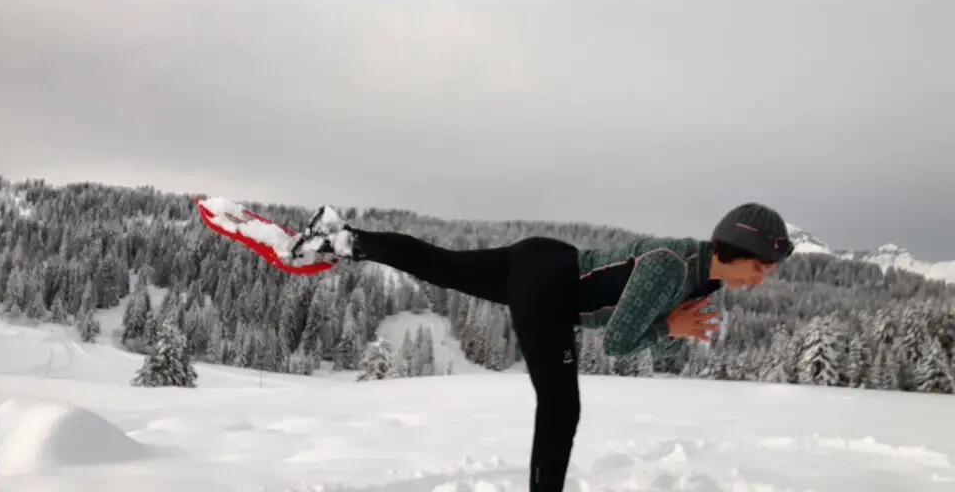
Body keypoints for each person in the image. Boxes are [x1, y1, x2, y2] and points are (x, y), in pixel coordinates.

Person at [285, 201, 794, 492]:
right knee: (561, 406)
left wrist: (668, 334)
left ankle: (343, 238)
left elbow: (660, 353)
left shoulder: (703, 281)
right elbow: (619, 344)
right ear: (735, 249)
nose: (762, 278)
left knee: (442, 264)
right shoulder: (671, 267)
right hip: (551, 286)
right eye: (761, 266)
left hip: (546, 263)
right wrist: (668, 330)